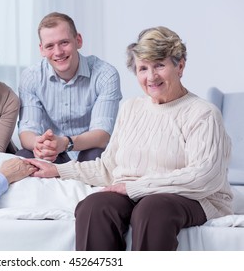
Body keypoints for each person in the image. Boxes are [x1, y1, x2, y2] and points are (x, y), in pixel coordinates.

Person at [28, 26, 233, 251]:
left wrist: (135, 188)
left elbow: (203, 178)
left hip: (194, 198)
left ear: (180, 66)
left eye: (160, 65)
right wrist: (58, 170)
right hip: (138, 194)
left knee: (153, 209)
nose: (151, 77)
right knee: (94, 206)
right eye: (142, 68)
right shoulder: (131, 108)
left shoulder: (203, 113)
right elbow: (108, 168)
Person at [16, 12, 122, 164]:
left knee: (96, 156)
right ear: (42, 49)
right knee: (23, 156)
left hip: (89, 150)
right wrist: (39, 145)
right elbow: (27, 130)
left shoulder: (105, 74)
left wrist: (65, 143)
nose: (58, 52)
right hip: (53, 153)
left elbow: (102, 135)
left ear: (78, 40)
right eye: (50, 46)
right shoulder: (31, 77)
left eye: (64, 42)